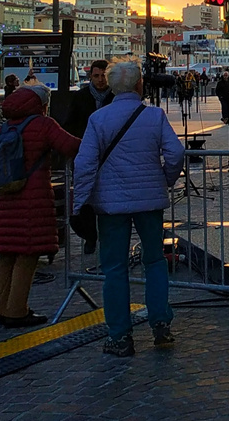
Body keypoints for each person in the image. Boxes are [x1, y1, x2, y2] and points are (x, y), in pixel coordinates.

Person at [73, 57, 184, 358]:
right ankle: (160, 322)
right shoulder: (155, 116)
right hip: (149, 200)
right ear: (139, 84)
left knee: (114, 268)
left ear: (110, 85)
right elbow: (175, 153)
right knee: (155, 261)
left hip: (110, 205)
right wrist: (165, 180)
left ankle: (120, 336)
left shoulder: (98, 120)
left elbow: (84, 164)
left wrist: (79, 202)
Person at [0, 86, 81, 328]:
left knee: (7, 254)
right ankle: (17, 311)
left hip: (7, 197)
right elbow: (70, 146)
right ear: (40, 104)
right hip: (33, 197)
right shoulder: (43, 124)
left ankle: (2, 308)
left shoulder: (5, 127)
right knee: (27, 255)